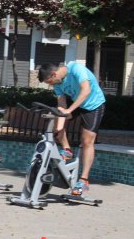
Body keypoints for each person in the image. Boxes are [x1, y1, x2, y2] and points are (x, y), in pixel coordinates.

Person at [38, 61, 106, 196]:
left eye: (49, 82)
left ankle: (84, 181)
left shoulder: (76, 68)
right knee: (58, 119)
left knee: (87, 141)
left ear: (54, 74)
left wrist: (69, 110)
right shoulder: (57, 83)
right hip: (76, 103)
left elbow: (86, 91)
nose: (50, 85)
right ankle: (67, 150)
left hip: (93, 105)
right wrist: (60, 126)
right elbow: (61, 103)